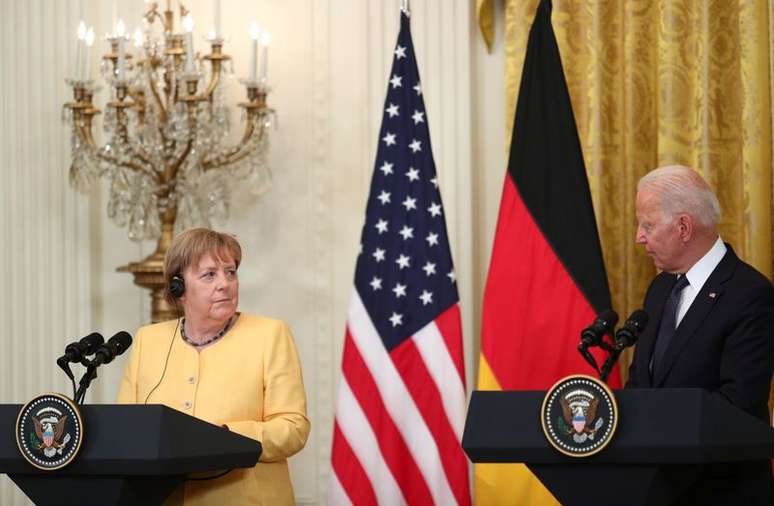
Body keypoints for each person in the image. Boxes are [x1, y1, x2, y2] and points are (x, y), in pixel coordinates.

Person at [117, 228, 310, 505]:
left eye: (230, 272)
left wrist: (227, 438)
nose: (225, 284)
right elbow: (127, 429)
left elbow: (294, 428)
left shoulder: (269, 334)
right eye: (210, 274)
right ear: (178, 288)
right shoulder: (149, 340)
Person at [626, 165, 774, 504]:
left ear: (683, 227)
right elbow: (641, 383)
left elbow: (737, 406)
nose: (638, 236)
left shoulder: (749, 294)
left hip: (719, 492)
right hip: (656, 489)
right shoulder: (661, 288)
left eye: (647, 224)